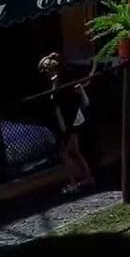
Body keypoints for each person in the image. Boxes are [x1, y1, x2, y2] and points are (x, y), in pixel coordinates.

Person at [38, 53, 94, 193]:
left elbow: (60, 105)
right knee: (74, 151)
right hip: (73, 117)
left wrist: (64, 126)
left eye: (45, 70)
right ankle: (88, 177)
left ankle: (74, 183)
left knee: (65, 152)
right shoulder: (59, 80)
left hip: (71, 118)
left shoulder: (58, 82)